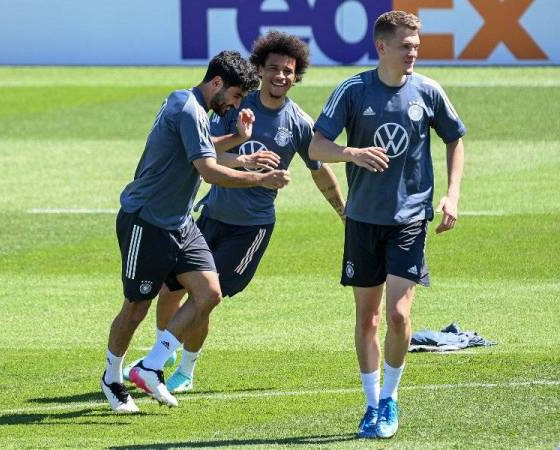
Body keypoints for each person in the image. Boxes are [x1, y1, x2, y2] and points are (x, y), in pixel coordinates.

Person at [125, 31, 345, 394]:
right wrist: (247, 161)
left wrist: (343, 212)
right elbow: (204, 152)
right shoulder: (236, 107)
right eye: (273, 68)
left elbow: (320, 172)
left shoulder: (299, 124)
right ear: (260, 69)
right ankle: (159, 361)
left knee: (203, 298)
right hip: (209, 217)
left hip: (249, 231)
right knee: (169, 293)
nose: (281, 76)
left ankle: (180, 370)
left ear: (296, 75)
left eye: (288, 71)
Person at [101, 50, 290, 413]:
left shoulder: (192, 107)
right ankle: (112, 376)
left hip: (179, 223)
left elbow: (202, 147)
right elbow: (208, 170)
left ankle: (152, 365)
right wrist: (261, 178)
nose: (235, 104)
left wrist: (238, 139)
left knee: (209, 292)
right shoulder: (188, 108)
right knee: (137, 307)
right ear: (217, 83)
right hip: (147, 220)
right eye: (235, 96)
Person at [309, 11, 466, 439]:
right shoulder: (353, 90)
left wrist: (451, 194)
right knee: (368, 319)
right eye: (405, 46)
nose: (413, 52)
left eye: (416, 45)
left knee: (398, 315)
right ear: (382, 47)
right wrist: (350, 153)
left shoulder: (428, 91)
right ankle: (371, 402)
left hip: (410, 219)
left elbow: (454, 137)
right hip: (362, 220)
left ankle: (391, 399)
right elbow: (316, 143)